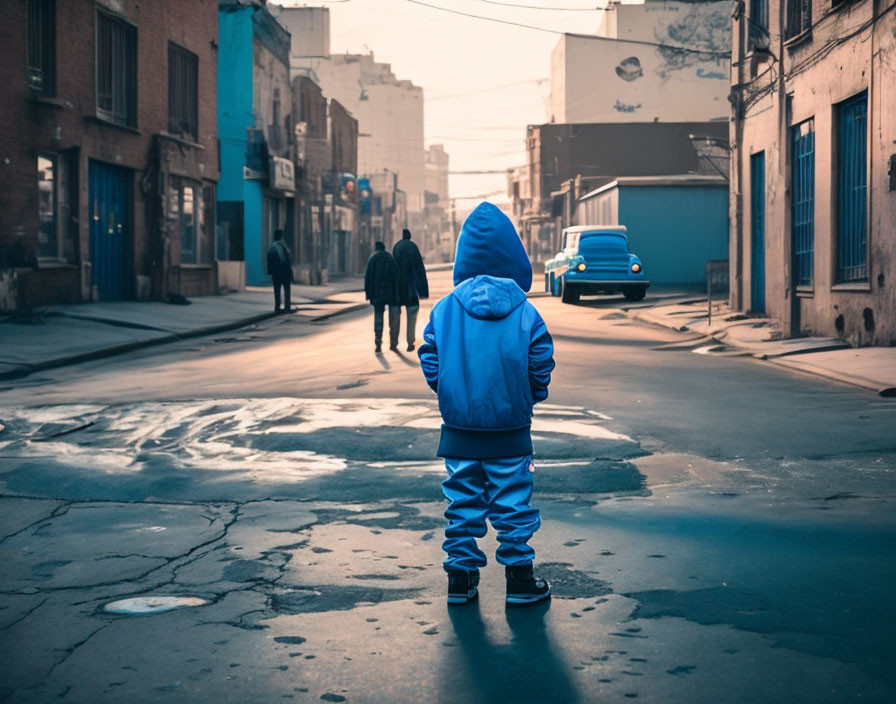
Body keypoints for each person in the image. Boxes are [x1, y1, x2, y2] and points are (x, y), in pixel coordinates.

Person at [418, 202, 555, 607]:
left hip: (459, 431)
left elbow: (430, 356)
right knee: (513, 505)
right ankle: (519, 582)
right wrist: (529, 395)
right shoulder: (526, 312)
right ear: (514, 256)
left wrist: (448, 390)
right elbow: (540, 361)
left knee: (461, 504)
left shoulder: (445, 310)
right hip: (511, 430)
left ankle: (460, 582)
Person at [392, 228, 429, 352]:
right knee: (412, 314)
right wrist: (423, 291)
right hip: (411, 287)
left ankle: (394, 341)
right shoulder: (413, 247)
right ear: (410, 236)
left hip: (397, 288)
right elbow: (420, 269)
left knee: (395, 315)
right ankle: (410, 341)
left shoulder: (396, 247)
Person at [364, 241, 399, 354]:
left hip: (377, 294)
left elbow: (367, 277)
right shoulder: (389, 258)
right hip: (390, 293)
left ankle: (378, 342)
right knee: (392, 318)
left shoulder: (372, 258)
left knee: (378, 318)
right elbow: (395, 276)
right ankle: (393, 342)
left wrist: (368, 294)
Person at [266, 229, 293, 313]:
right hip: (284, 273)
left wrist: (271, 271)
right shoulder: (282, 246)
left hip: (276, 274)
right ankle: (287, 308)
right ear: (281, 236)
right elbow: (285, 259)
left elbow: (268, 260)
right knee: (287, 291)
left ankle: (277, 307)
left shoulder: (271, 247)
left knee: (277, 291)